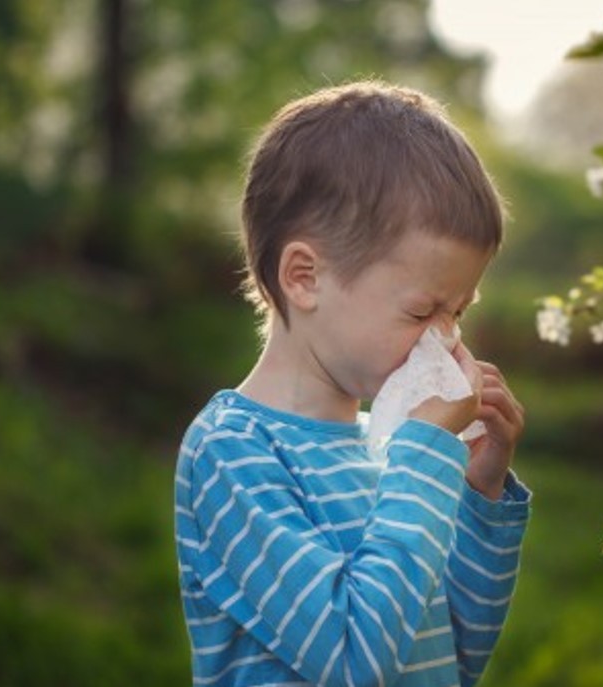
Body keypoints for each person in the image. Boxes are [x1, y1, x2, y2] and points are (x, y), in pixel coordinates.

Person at [173, 81, 530, 687]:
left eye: (459, 313)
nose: (444, 341)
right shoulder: (232, 454)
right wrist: (423, 460)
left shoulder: (391, 448)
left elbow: (454, 659)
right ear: (305, 278)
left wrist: (478, 490)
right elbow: (353, 660)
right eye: (422, 312)